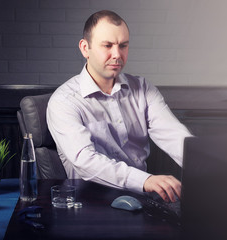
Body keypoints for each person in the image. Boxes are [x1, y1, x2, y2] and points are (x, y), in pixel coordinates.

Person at [47, 10, 193, 202]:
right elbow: (86, 162)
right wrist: (145, 180)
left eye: (123, 45)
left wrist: (215, 168)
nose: (117, 55)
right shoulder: (63, 101)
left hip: (141, 201)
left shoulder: (143, 88)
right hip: (88, 205)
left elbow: (175, 136)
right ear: (85, 48)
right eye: (107, 45)